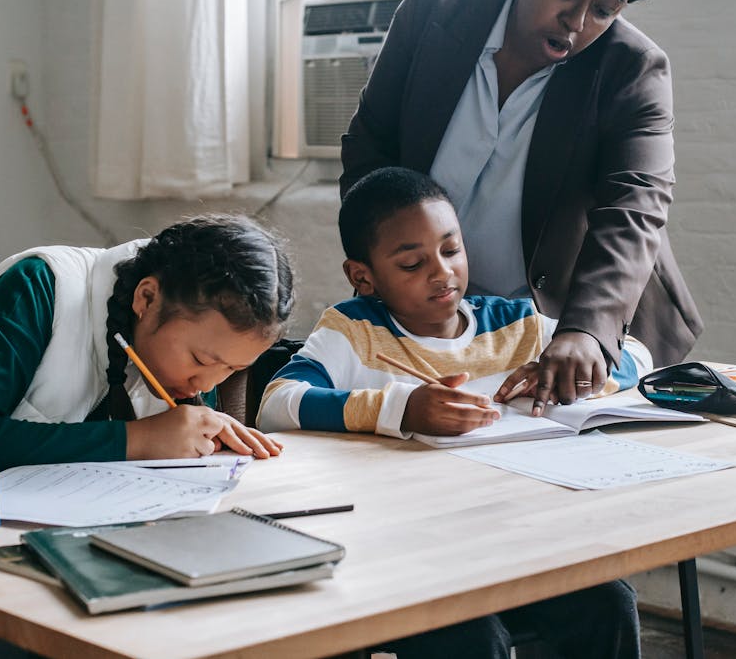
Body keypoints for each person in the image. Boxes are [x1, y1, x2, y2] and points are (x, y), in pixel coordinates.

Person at [0, 214, 294, 659]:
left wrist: (201, 444)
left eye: (232, 370)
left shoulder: (173, 353)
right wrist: (135, 440)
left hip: (44, 565)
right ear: (145, 298)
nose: (206, 386)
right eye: (204, 361)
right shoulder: (39, 285)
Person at [341, 0, 703, 415]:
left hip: (561, 330)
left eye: (605, 10)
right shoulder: (439, 6)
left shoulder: (632, 71)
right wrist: (384, 268)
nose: (577, 21)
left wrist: (586, 331)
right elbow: (371, 145)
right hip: (430, 319)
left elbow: (635, 209)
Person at [259, 167, 646, 659]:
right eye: (412, 263)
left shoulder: (518, 324)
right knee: (472, 641)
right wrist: (403, 409)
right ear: (363, 276)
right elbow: (276, 402)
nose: (441, 273)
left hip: (519, 541)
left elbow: (637, 357)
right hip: (408, 556)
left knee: (609, 603)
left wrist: (568, 364)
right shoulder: (354, 332)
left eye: (451, 249)